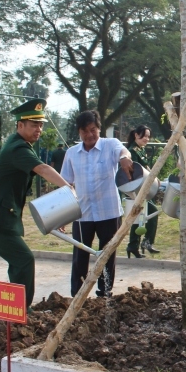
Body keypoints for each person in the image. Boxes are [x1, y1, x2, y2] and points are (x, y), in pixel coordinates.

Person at [0, 98, 71, 328]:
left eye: (40, 125)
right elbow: (42, 169)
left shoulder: (19, 146)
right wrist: (68, 187)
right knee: (23, 260)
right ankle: (22, 313)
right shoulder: (17, 148)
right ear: (20, 125)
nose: (38, 129)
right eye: (33, 125)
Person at [61, 110, 133, 297]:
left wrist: (125, 158)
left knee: (107, 253)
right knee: (80, 255)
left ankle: (105, 293)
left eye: (93, 129)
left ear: (99, 129)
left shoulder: (110, 145)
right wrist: (62, 215)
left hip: (108, 212)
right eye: (84, 131)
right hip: (82, 213)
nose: (89, 135)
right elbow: (66, 185)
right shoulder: (71, 154)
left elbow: (122, 152)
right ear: (79, 132)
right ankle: (78, 294)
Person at [126, 125, 160, 257]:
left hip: (143, 189)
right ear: (136, 135)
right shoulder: (132, 151)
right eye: (144, 136)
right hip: (136, 190)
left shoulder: (140, 150)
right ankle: (146, 242)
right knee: (152, 212)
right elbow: (136, 172)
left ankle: (133, 246)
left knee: (138, 217)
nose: (147, 139)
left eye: (148, 136)